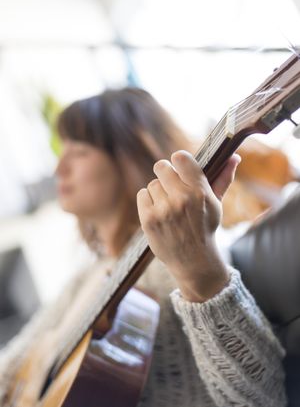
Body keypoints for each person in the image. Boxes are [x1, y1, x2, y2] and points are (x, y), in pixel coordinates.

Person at [0, 87, 286, 406]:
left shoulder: (186, 251)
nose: (58, 168)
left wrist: (198, 272)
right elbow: (13, 368)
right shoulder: (86, 277)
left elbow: (261, 400)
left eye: (78, 152)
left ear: (130, 155)